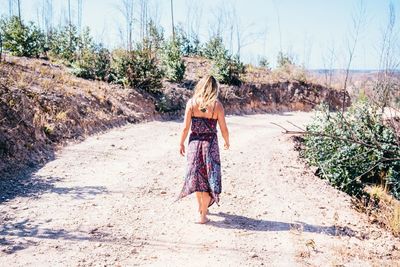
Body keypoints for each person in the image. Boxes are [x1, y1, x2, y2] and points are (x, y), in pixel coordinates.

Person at [177, 75, 230, 224]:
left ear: (200, 86)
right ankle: (202, 214)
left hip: (194, 144)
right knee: (208, 179)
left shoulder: (192, 103)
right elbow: (223, 128)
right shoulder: (217, 105)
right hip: (210, 145)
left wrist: (180, 143)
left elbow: (185, 127)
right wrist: (227, 141)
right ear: (215, 88)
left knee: (197, 178)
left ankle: (201, 210)